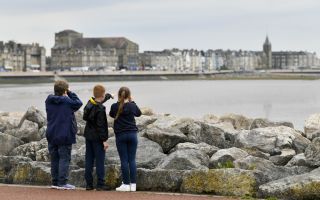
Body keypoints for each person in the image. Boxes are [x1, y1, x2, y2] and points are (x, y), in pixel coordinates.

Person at [45, 80, 83, 190]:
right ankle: (62, 183)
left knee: (54, 158)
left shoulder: (49, 100)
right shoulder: (68, 102)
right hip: (65, 134)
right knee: (64, 158)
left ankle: (55, 182)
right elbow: (78, 103)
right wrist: (70, 92)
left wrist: (65, 92)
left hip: (51, 133)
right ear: (65, 90)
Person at [109, 86, 142, 192]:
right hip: (132, 134)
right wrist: (132, 101)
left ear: (119, 95)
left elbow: (111, 114)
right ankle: (133, 185)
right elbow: (139, 113)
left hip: (121, 135)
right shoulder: (132, 106)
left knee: (124, 160)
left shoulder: (114, 106)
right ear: (129, 95)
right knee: (132, 160)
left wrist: (119, 101)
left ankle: (126, 184)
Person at [83, 85, 113, 191]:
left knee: (89, 160)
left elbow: (98, 102)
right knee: (100, 161)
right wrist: (104, 140)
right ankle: (100, 184)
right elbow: (102, 126)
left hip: (88, 136)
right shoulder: (100, 109)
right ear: (102, 94)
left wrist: (108, 96)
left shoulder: (89, 103)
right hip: (97, 138)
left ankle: (89, 184)